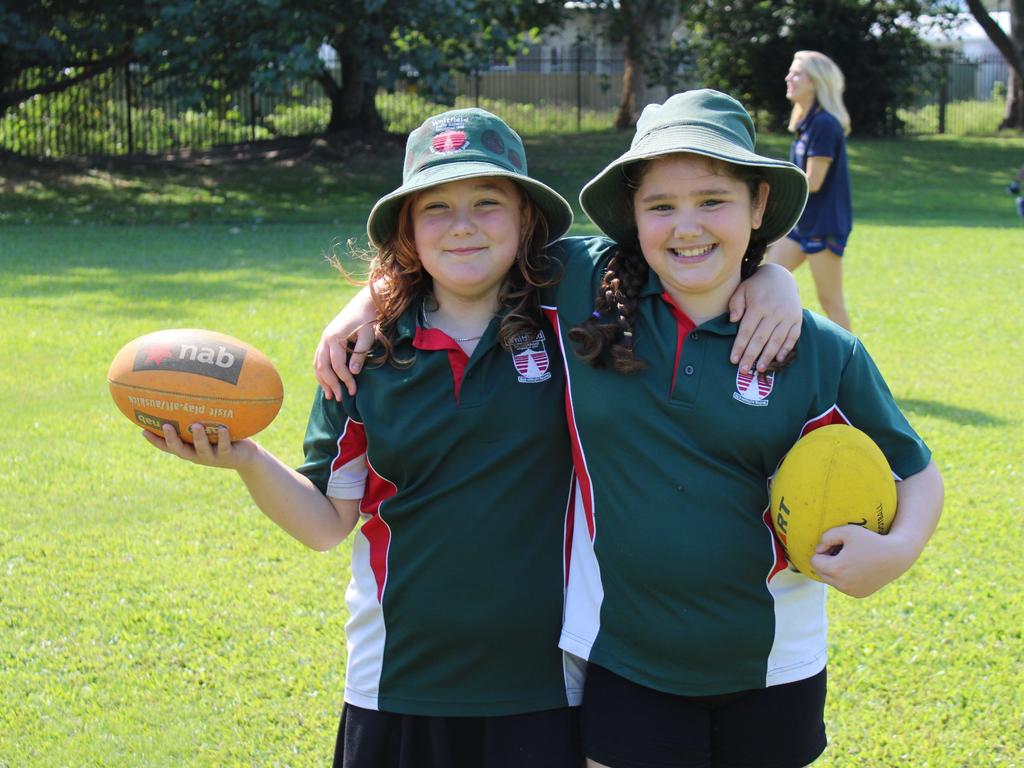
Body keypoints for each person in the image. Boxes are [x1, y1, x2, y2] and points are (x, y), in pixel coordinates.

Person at [316, 89, 943, 768]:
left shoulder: (820, 348)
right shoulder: (586, 285)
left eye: (713, 201)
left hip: (775, 663)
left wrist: (900, 549)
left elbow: (915, 471)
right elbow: (465, 250)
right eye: (661, 206)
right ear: (633, 216)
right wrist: (371, 297)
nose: (687, 227)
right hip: (623, 662)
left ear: (759, 206)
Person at [144, 108, 589, 767]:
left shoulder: (572, 314)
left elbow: (685, 254)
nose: (462, 224)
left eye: (487, 202)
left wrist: (778, 281)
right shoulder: (363, 357)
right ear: (406, 231)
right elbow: (327, 524)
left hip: (545, 682)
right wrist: (245, 458)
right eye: (435, 208)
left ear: (526, 219)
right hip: (397, 680)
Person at [767, 50, 854, 331]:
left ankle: (853, 372)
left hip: (823, 225)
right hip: (801, 225)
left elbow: (813, 182)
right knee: (763, 279)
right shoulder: (805, 124)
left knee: (831, 302)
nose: (788, 78)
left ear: (815, 81)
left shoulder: (825, 124)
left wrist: (771, 185)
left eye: (797, 73)